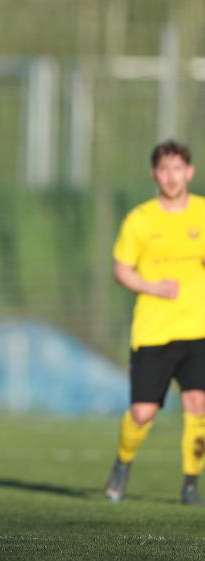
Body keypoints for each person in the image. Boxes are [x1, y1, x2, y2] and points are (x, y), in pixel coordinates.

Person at [105, 140, 205, 504]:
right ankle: (123, 461)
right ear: (154, 174)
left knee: (198, 403)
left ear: (189, 172)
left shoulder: (203, 213)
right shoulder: (140, 220)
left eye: (178, 168)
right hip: (154, 331)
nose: (171, 176)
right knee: (142, 413)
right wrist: (153, 287)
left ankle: (191, 484)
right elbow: (121, 269)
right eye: (164, 169)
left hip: (198, 329)